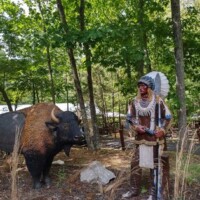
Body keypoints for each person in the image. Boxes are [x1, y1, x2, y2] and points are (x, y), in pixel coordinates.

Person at [123, 73, 172, 200]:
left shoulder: (158, 101)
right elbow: (130, 117)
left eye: (143, 85)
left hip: (154, 140)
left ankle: (153, 192)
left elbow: (167, 117)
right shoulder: (135, 101)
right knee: (135, 164)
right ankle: (134, 189)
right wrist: (136, 126)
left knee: (154, 166)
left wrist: (162, 130)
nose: (140, 88)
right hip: (140, 140)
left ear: (149, 87)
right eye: (139, 85)